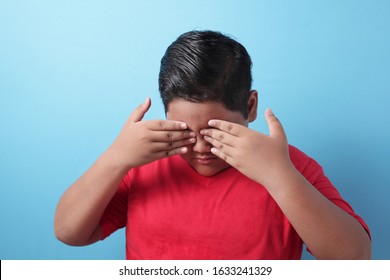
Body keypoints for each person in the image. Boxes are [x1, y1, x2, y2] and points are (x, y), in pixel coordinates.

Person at [54, 30, 371, 259]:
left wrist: (280, 177)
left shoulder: (288, 167)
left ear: (249, 107)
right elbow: (69, 232)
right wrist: (115, 158)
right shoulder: (141, 164)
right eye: (185, 131)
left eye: (216, 132)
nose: (202, 149)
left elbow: (354, 258)